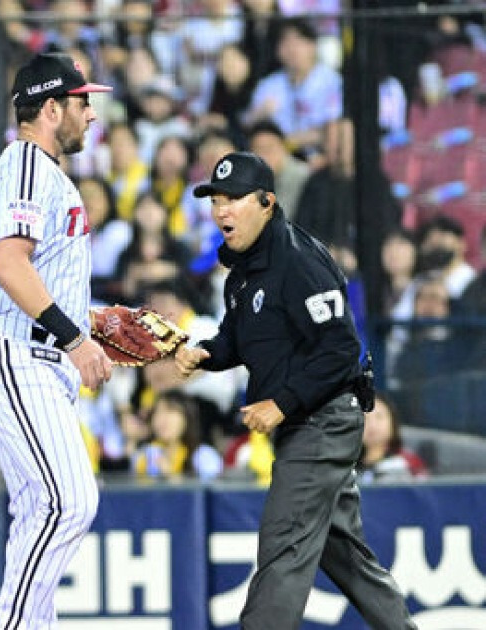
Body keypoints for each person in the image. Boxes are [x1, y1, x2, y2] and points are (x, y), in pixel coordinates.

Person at [176, 151, 416, 629]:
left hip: (323, 419)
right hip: (306, 423)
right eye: (216, 200)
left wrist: (281, 403)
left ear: (267, 203)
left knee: (283, 544)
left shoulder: (297, 259)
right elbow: (239, 336)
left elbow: (341, 348)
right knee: (342, 554)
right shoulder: (246, 267)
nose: (222, 210)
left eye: (234, 199)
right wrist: (205, 352)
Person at [0, 53, 114, 629]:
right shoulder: (28, 162)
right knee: (71, 501)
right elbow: (8, 263)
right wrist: (76, 338)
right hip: (14, 350)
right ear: (51, 108)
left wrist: (92, 324)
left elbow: (35, 272)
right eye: (82, 101)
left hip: (35, 353)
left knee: (37, 514)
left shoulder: (46, 172)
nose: (91, 114)